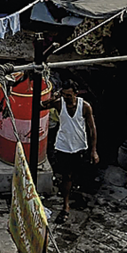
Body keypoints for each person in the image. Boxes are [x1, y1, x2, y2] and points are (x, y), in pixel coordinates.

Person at [49, 82, 98, 216]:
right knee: (67, 175)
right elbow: (40, 106)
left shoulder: (85, 107)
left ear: (76, 94)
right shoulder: (59, 103)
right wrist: (52, 99)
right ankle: (66, 205)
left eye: (69, 95)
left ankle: (77, 195)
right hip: (63, 146)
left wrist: (94, 150)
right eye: (64, 95)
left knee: (80, 173)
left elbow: (92, 129)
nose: (66, 98)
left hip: (79, 146)